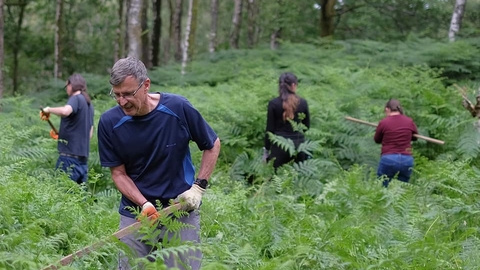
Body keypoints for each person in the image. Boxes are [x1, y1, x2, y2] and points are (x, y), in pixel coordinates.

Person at [97, 57, 220, 270]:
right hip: (136, 213)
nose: (122, 101)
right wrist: (143, 203)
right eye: (116, 95)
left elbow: (212, 144)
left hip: (180, 209)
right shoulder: (109, 123)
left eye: (128, 94)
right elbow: (118, 173)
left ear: (145, 85)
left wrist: (199, 188)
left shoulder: (177, 108)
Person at [40, 73, 94, 185]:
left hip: (68, 160)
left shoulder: (76, 98)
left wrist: (48, 109)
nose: (66, 90)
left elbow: (65, 111)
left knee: (61, 195)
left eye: (66, 87)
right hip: (83, 161)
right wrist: (62, 136)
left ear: (71, 85)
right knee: (77, 199)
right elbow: (89, 134)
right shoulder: (89, 104)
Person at [263, 72, 310, 169]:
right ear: (293, 85)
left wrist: (266, 151)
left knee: (277, 181)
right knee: (299, 179)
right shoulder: (303, 103)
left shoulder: (273, 103)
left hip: (279, 147)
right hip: (299, 146)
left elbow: (270, 129)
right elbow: (306, 126)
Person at [374, 99, 418, 187]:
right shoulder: (409, 121)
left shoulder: (384, 122)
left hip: (389, 158)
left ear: (387, 109)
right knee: (402, 191)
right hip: (407, 159)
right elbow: (414, 137)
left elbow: (377, 140)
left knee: (382, 187)